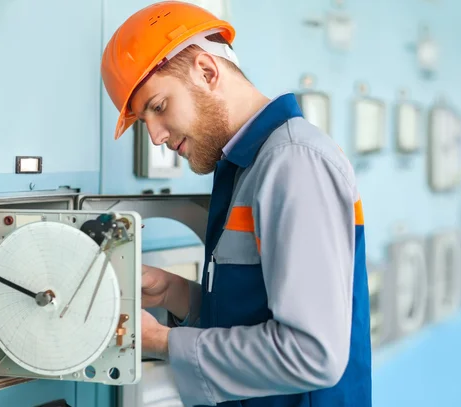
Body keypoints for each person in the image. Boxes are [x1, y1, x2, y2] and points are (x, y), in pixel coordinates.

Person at [100, 2, 371, 406]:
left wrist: (162, 341)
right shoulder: (248, 166)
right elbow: (251, 315)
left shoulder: (294, 163)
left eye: (158, 107)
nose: (156, 136)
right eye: (145, 121)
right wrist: (173, 294)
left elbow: (312, 355)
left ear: (207, 72)